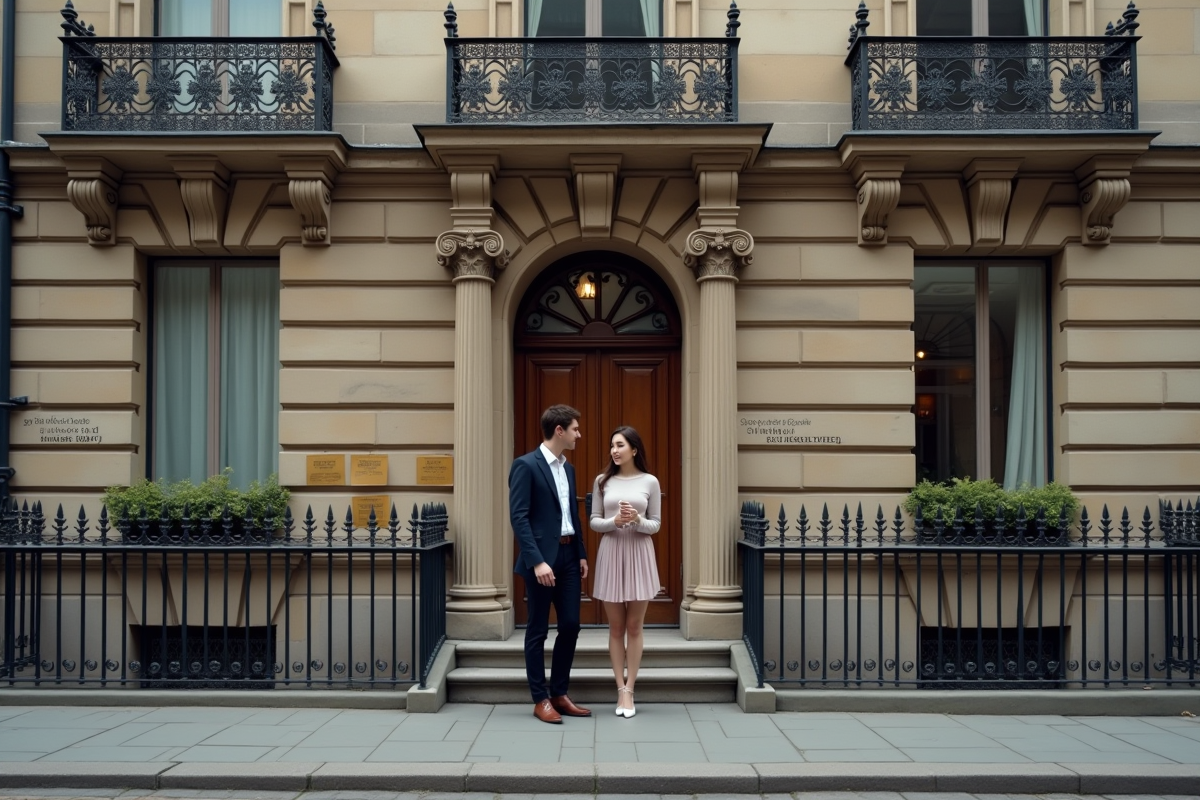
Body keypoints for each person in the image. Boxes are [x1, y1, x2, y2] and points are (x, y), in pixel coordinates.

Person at [509, 404, 592, 724]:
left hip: (570, 556)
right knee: (537, 629)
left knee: (571, 625)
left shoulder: (568, 468)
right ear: (559, 431)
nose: (578, 435)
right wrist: (537, 561)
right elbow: (519, 517)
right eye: (575, 429)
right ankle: (540, 698)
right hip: (541, 562)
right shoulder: (525, 466)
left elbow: (572, 513)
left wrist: (582, 552)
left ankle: (559, 693)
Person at [589, 425, 661, 718]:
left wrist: (638, 519)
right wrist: (615, 521)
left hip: (639, 553)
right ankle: (619, 688)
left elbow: (656, 524)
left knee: (635, 627)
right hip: (612, 552)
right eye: (612, 446)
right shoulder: (602, 481)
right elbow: (594, 520)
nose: (614, 451)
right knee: (616, 627)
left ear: (634, 449)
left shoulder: (650, 482)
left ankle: (631, 689)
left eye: (619, 445)